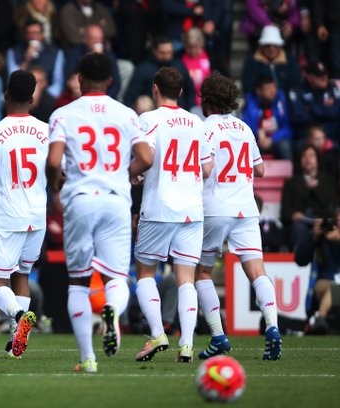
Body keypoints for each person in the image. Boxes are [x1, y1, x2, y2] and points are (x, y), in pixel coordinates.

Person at [46, 52, 150, 373]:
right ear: (110, 81)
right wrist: (124, 174)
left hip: (80, 198)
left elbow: (53, 161)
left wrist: (55, 186)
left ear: (79, 79)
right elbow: (147, 157)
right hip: (116, 200)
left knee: (78, 281)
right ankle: (112, 313)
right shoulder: (126, 113)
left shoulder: (63, 114)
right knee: (116, 276)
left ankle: (88, 359)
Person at [195, 72, 283, 360]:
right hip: (246, 208)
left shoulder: (204, 128)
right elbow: (261, 170)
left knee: (202, 272)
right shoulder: (244, 128)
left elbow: (204, 167)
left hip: (215, 207)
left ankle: (218, 337)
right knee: (257, 271)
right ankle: (273, 328)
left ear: (206, 99)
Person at [130, 66, 213, 363]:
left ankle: (157, 334)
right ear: (180, 91)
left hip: (159, 206)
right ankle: (187, 344)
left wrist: (132, 173)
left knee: (145, 273)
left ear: (155, 88)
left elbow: (145, 158)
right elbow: (207, 169)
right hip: (192, 209)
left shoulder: (149, 119)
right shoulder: (196, 122)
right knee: (186, 278)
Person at [0, 70, 48, 358]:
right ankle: (17, 344)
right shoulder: (47, 130)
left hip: (7, 217)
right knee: (22, 275)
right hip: (37, 216)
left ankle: (19, 315)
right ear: (32, 98)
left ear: (5, 95)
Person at [280, 145, 338, 250]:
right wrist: (293, 215)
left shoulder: (328, 181)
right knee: (297, 227)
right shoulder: (291, 183)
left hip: (323, 220)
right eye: (304, 155)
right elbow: (285, 212)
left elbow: (333, 205)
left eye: (311, 155)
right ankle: (298, 256)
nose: (307, 158)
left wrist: (317, 188)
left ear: (317, 160)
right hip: (301, 222)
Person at [295, 206, 340, 334]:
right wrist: (313, 237)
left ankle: (320, 319)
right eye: (335, 221)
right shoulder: (319, 236)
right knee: (336, 288)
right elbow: (300, 260)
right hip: (325, 282)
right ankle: (320, 318)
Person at [6, 18, 65, 99]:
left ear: (42, 34)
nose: (32, 36)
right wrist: (26, 60)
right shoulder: (13, 51)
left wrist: (42, 96)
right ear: (24, 35)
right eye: (29, 33)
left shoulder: (56, 52)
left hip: (47, 97)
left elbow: (58, 82)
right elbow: (11, 81)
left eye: (36, 33)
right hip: (21, 96)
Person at [242, 75, 293, 160]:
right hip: (258, 140)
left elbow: (288, 127)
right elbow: (246, 128)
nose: (273, 91)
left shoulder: (281, 100)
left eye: (274, 87)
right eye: (268, 88)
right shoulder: (250, 103)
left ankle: (289, 169)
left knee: (285, 146)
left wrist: (272, 139)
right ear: (259, 91)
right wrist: (257, 133)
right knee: (249, 147)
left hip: (277, 139)